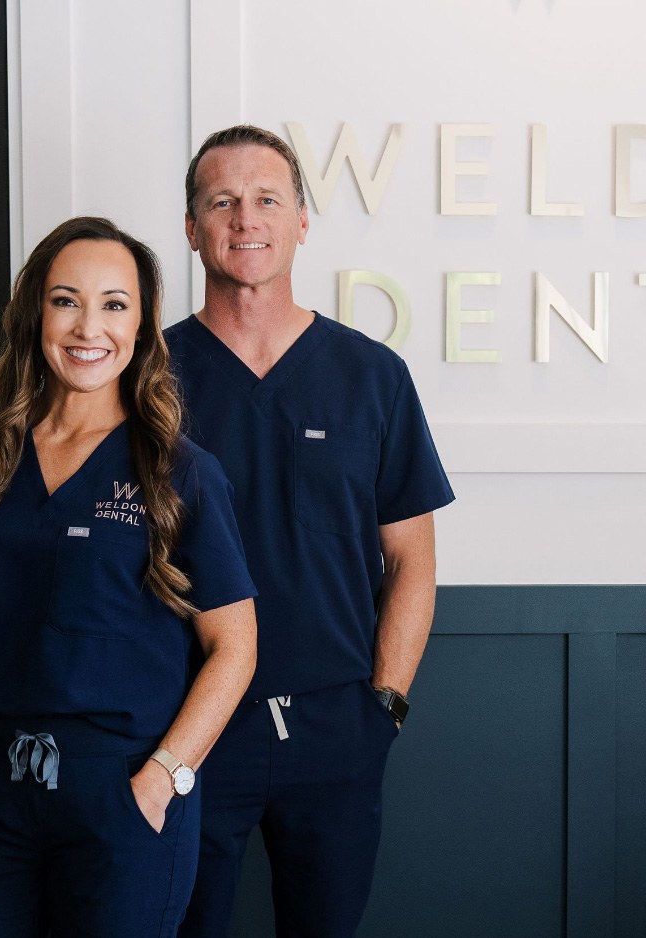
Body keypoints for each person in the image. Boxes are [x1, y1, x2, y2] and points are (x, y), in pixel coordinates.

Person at [0, 216, 258, 938]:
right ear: (36, 314)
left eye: (115, 304)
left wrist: (161, 783)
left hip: (119, 796)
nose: (90, 327)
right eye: (67, 300)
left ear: (143, 324)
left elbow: (235, 647)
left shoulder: (179, 472)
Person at [165, 126, 455, 938]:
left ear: (301, 222)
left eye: (267, 199)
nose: (244, 219)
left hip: (334, 732)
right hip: (186, 725)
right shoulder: (147, 377)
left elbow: (412, 563)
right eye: (221, 201)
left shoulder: (371, 376)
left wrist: (383, 709)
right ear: (192, 229)